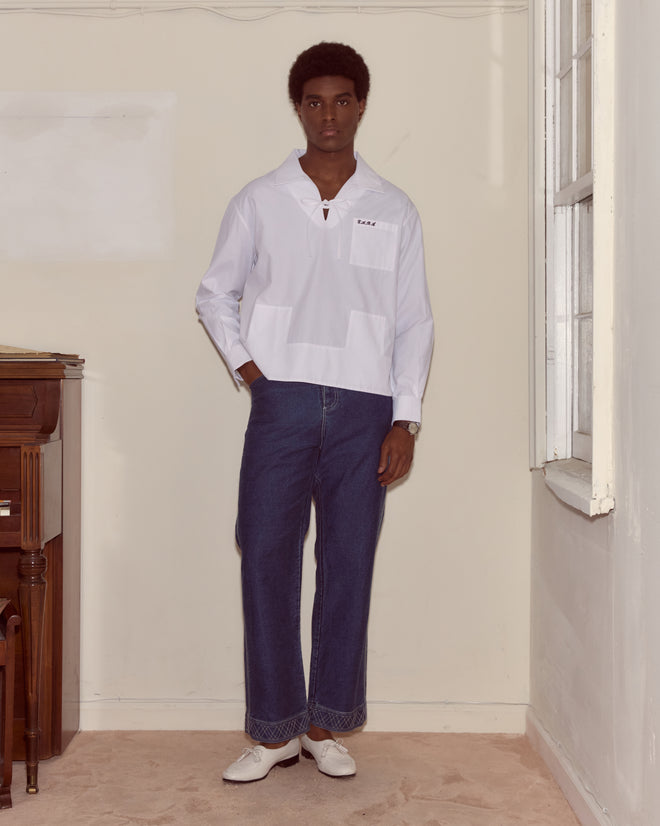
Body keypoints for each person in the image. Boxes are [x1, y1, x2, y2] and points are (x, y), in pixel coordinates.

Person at [196, 41, 433, 783]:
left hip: (367, 409)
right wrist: (253, 372)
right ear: (298, 108)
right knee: (265, 554)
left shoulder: (393, 208)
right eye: (313, 101)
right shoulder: (261, 199)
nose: (328, 114)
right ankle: (273, 732)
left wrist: (406, 418)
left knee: (348, 563)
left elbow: (414, 321)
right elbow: (214, 293)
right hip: (283, 403)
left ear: (361, 105)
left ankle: (326, 722)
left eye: (342, 99)